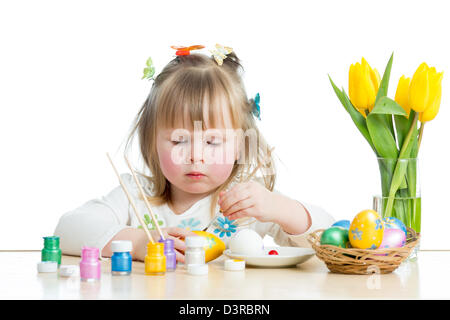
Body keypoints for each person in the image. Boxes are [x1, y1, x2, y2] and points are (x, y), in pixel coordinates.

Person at [54, 45, 334, 263]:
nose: (196, 156)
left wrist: (279, 208)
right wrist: (140, 243)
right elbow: (67, 230)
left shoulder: (247, 205)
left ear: (239, 145)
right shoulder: (136, 195)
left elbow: (332, 239)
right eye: (178, 140)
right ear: (153, 141)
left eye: (213, 142)